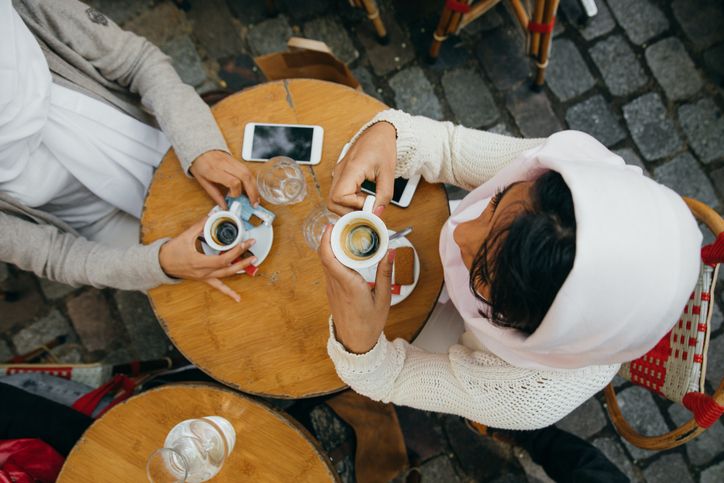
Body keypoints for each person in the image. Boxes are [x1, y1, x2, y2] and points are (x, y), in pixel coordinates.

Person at [319, 109, 701, 430]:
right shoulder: (562, 181)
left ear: (528, 327)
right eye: (496, 200)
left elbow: (392, 376)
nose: (457, 231)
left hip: (456, 343)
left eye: (484, 276)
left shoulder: (528, 395)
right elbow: (449, 147)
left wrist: (362, 344)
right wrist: (389, 135)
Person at [1, 0, 258, 300]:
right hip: (103, 223)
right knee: (210, 296)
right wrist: (160, 263)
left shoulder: (24, 10)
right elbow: (55, 256)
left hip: (165, 140)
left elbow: (138, 61)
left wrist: (200, 147)